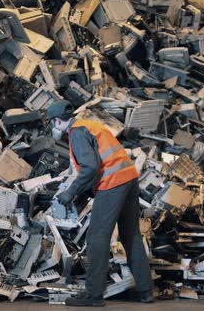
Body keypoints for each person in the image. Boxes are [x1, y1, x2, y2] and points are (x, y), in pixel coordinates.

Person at [46, 100, 153, 307]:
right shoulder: (89, 125)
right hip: (129, 179)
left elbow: (90, 167)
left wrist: (71, 192)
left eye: (52, 123)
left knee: (97, 238)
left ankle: (93, 295)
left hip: (112, 183)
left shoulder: (76, 132)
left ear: (57, 121)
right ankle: (145, 291)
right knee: (131, 236)